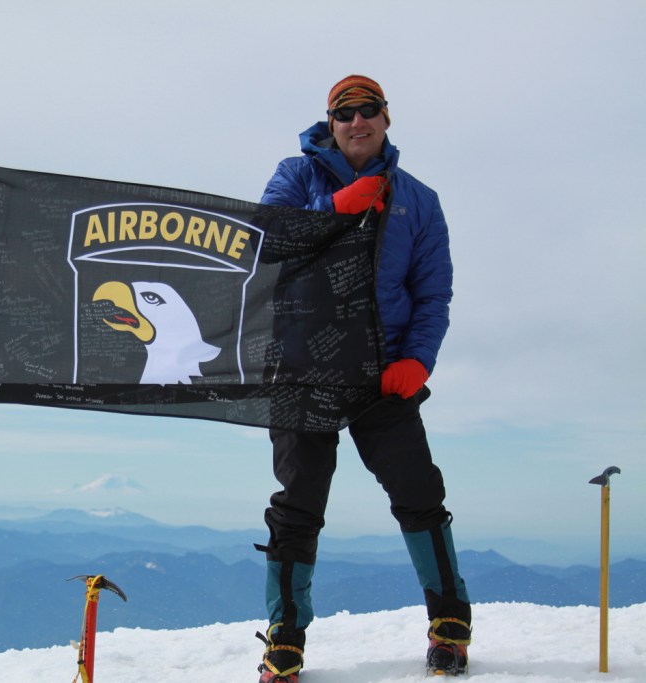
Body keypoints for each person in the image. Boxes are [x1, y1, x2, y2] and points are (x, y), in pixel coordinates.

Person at [254, 75, 471, 681]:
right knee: (297, 506)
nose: (358, 122)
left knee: (419, 493)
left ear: (385, 118)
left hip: (384, 374)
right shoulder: (295, 177)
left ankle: (449, 623)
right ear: (331, 121)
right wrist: (333, 211)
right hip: (303, 369)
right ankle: (285, 637)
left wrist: (419, 359)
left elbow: (432, 293)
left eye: (368, 110)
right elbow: (267, 243)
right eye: (345, 113)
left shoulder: (419, 200)